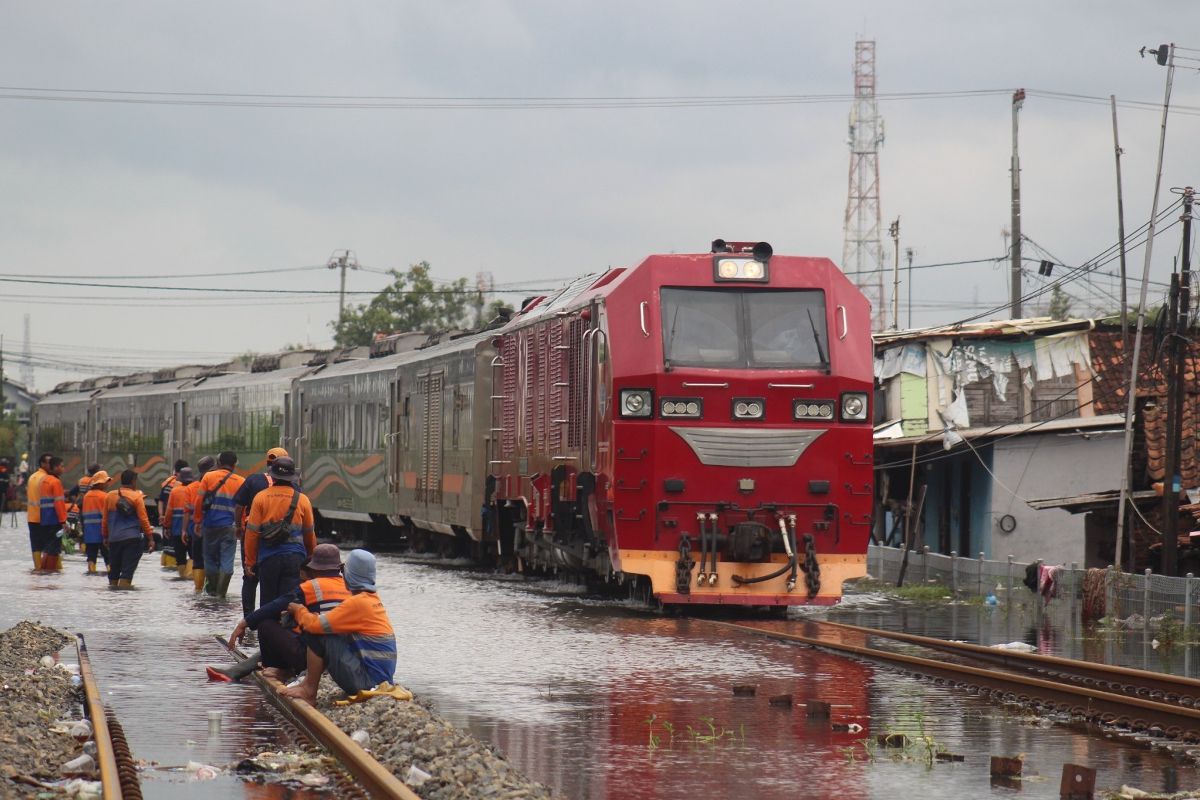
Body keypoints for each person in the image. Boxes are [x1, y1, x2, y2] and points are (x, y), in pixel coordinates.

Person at [212, 543, 351, 683]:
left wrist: (244, 623)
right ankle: (243, 670)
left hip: (314, 658)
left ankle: (279, 669)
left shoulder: (310, 587)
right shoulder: (350, 588)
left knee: (266, 624)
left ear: (313, 569)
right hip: (345, 658)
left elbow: (275, 605)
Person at [280, 550, 396, 704]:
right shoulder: (371, 600)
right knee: (325, 628)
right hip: (380, 682)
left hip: (367, 683)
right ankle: (305, 683)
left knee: (316, 633)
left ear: (350, 575)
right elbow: (329, 622)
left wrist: (299, 610)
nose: (342, 575)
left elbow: (315, 626)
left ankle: (308, 690)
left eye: (343, 570)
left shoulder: (358, 603)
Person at [244, 457, 315, 608]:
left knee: (268, 604)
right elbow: (309, 533)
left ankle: (265, 630)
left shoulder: (261, 498)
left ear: (273, 476)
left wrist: (250, 562)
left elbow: (252, 533)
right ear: (292, 477)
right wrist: (311, 559)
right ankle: (286, 630)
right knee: (290, 604)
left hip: (269, 559)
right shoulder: (303, 500)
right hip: (295, 559)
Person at [233, 447, 290, 618]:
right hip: (280, 538)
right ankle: (273, 619)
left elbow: (238, 506)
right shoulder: (293, 486)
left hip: (252, 534)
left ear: (267, 463)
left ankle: (249, 619)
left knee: (250, 577)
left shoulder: (253, 480)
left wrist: (238, 527)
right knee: (273, 580)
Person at [194, 451, 245, 598]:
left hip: (210, 525)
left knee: (209, 558)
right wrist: (240, 526)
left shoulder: (209, 477)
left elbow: (199, 501)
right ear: (235, 464)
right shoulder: (241, 481)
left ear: (218, 463)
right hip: (230, 526)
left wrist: (197, 521)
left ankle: (212, 592)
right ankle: (221, 594)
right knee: (227, 559)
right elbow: (243, 507)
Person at [103, 469, 155, 589]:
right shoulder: (137, 497)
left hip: (114, 539)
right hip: (132, 540)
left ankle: (113, 599)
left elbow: (105, 520)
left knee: (113, 573)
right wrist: (151, 539)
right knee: (127, 572)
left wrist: (105, 536)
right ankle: (124, 600)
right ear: (133, 481)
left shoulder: (110, 496)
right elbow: (144, 520)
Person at [185, 456, 216, 592]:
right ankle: (211, 589)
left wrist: (184, 530)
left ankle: (198, 589)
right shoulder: (216, 483)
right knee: (212, 559)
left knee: (197, 559)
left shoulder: (191, 487)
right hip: (213, 527)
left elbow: (187, 510)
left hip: (196, 529)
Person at [164, 467, 197, 580]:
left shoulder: (175, 491)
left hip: (177, 530)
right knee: (194, 555)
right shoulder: (195, 490)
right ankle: (191, 578)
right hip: (193, 530)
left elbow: (169, 511)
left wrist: (167, 526)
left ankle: (182, 578)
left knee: (180, 558)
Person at [37, 456, 69, 572]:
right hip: (55, 520)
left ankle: (43, 571)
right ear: (55, 467)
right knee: (54, 549)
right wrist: (63, 521)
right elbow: (59, 503)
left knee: (48, 548)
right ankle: (50, 574)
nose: (63, 469)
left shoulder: (44, 480)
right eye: (62, 466)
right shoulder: (56, 482)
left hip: (45, 520)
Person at [80, 471, 113, 575]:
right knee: (108, 556)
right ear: (100, 483)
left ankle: (91, 575)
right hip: (102, 533)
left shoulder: (86, 496)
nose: (108, 484)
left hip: (89, 533)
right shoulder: (105, 496)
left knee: (91, 557)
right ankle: (111, 575)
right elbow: (107, 517)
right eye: (106, 481)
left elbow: (83, 516)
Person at [157, 460, 188, 568]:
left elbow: (161, 500)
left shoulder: (167, 483)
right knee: (178, 552)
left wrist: (161, 516)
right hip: (178, 523)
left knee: (168, 548)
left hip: (167, 521)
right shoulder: (182, 486)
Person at [25, 452, 51, 570]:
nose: (52, 465)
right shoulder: (46, 479)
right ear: (42, 463)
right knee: (50, 546)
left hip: (32, 517)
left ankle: (37, 569)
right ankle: (48, 571)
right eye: (49, 462)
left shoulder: (32, 477)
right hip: (44, 518)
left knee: (35, 546)